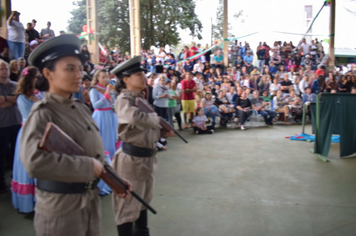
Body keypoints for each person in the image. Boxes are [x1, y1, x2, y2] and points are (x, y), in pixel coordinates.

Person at [21, 34, 130, 236]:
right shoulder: (43, 113)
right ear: (48, 73)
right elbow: (34, 162)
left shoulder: (79, 107)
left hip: (88, 201)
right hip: (61, 210)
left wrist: (115, 179)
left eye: (80, 68)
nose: (79, 75)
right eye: (69, 69)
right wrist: (88, 167)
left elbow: (93, 152)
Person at [110, 55, 175, 236]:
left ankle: (142, 231)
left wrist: (163, 132)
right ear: (126, 79)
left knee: (143, 202)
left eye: (142, 73)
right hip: (131, 161)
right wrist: (156, 120)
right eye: (138, 74)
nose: (143, 77)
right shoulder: (124, 99)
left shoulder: (141, 99)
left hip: (146, 159)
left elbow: (144, 129)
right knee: (127, 207)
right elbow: (132, 117)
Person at [11, 66, 44, 213]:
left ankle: (42, 199)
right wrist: (40, 102)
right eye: (36, 77)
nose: (39, 80)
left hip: (42, 132)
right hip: (29, 133)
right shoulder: (22, 97)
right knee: (28, 165)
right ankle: (28, 202)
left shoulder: (40, 94)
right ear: (29, 79)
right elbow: (31, 115)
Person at [0, 60, 22, 193]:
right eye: (2, 69)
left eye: (6, 69)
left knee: (16, 153)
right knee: (1, 154)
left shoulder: (15, 85)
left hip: (16, 123)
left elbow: (19, 100)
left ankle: (17, 178)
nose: (5, 71)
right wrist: (12, 100)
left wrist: (5, 99)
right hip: (2, 124)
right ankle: (1, 181)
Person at [89, 68, 118, 158]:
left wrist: (114, 106)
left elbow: (114, 101)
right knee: (105, 139)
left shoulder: (110, 87)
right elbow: (95, 105)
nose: (106, 79)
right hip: (101, 116)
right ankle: (104, 157)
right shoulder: (94, 90)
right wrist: (106, 96)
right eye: (103, 77)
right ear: (98, 77)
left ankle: (113, 157)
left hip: (111, 115)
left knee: (114, 137)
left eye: (107, 77)